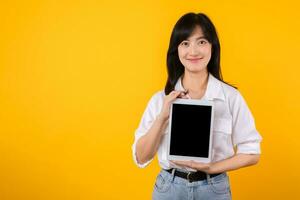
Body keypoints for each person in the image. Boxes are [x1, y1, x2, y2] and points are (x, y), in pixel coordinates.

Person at [132, 12, 262, 200]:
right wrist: (162, 116)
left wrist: (212, 167)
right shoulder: (160, 99)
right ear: (176, 50)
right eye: (185, 43)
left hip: (214, 189)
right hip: (168, 189)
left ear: (212, 47)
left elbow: (252, 153)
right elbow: (141, 157)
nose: (193, 51)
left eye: (201, 42)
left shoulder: (231, 97)